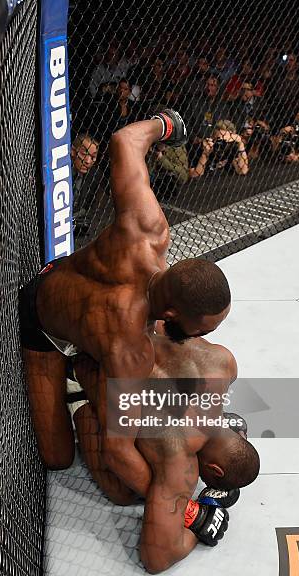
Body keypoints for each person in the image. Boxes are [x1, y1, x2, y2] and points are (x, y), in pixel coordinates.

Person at [19, 111, 232, 494]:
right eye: (203, 328)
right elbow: (118, 453)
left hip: (64, 280)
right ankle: (79, 392)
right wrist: (181, 505)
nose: (202, 335)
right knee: (57, 458)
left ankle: (84, 375)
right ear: (170, 313)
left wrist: (167, 125)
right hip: (42, 324)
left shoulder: (147, 228)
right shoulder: (131, 353)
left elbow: (124, 140)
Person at [70, 332, 260, 573]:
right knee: (122, 492)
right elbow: (157, 559)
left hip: (107, 338)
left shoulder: (224, 364)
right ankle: (79, 402)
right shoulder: (181, 459)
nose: (200, 481)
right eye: (207, 479)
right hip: (85, 371)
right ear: (214, 469)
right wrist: (194, 516)